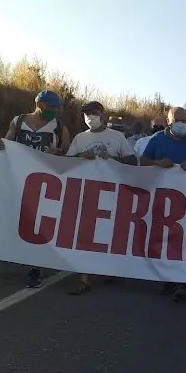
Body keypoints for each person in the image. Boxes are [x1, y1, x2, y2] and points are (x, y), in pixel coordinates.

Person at [0, 89, 71, 288]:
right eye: (52, 107)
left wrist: (59, 154)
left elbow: (69, 155)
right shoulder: (19, 121)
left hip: (45, 182)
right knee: (18, 218)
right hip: (19, 178)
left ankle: (36, 269)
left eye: (58, 107)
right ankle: (13, 252)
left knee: (39, 225)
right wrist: (2, 145)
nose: (56, 110)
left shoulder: (59, 127)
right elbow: (8, 140)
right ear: (40, 105)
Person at [141, 106, 186, 302]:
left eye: (184, 120)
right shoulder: (157, 139)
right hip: (164, 197)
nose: (181, 124)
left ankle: (184, 281)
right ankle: (166, 278)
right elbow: (143, 161)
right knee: (165, 237)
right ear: (169, 121)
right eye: (177, 120)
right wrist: (158, 163)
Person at [65, 101, 137, 296]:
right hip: (86, 192)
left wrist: (113, 160)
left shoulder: (117, 137)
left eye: (94, 113)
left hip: (111, 194)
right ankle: (84, 279)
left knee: (108, 233)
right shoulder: (80, 138)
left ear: (103, 114)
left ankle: (110, 269)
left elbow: (132, 161)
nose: (90, 117)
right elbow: (66, 162)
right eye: (86, 114)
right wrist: (81, 155)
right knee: (84, 234)